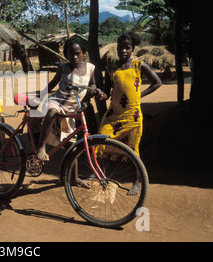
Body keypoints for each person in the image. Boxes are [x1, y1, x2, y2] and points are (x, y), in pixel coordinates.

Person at [98, 32, 161, 195]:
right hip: (114, 114)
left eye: (127, 48)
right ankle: (97, 172)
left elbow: (157, 82)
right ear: (117, 49)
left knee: (133, 149)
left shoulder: (139, 65)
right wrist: (101, 94)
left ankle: (136, 182)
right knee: (100, 138)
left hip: (132, 116)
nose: (123, 51)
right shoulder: (111, 68)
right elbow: (106, 92)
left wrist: (140, 95)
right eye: (121, 48)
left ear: (132, 49)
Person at [37, 37, 103, 161]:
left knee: (72, 147)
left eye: (77, 53)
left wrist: (94, 90)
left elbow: (92, 84)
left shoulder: (90, 68)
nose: (74, 57)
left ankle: (73, 178)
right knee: (52, 112)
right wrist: (41, 96)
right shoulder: (63, 68)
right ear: (66, 54)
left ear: (83, 53)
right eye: (70, 54)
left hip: (74, 107)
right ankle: (41, 146)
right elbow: (53, 83)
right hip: (57, 101)